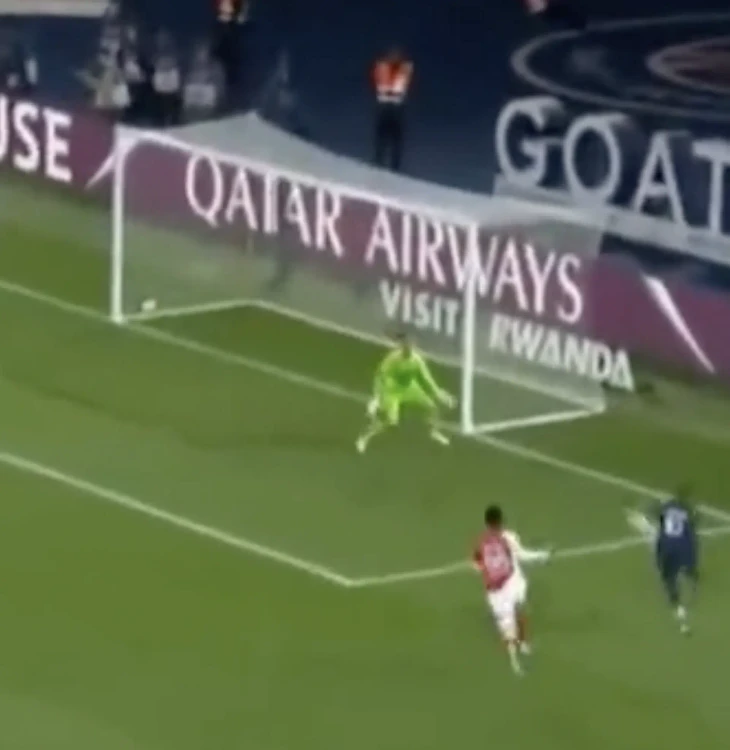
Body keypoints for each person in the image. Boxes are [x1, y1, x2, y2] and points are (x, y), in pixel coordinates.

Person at [473, 505, 551, 676]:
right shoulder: (508, 537)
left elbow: (477, 565)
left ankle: (519, 645)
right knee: (518, 613)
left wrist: (489, 568)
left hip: (497, 588)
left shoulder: (481, 541)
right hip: (512, 582)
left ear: (486, 523)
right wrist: (540, 555)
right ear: (501, 521)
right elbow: (522, 555)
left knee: (511, 619)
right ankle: (520, 647)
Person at [355, 332, 455, 453]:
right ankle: (364, 437)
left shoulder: (417, 360)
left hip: (409, 388)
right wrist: (376, 397)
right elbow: (380, 377)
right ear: (402, 346)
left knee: (432, 407)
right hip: (391, 391)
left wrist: (439, 394)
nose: (409, 348)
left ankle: (434, 432)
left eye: (411, 346)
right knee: (390, 421)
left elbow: (427, 379)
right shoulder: (392, 359)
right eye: (406, 346)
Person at [654, 486, 699, 635]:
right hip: (682, 547)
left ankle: (677, 604)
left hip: (667, 546)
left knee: (668, 578)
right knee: (684, 569)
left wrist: (658, 554)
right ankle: (688, 576)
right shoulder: (688, 510)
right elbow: (692, 532)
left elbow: (661, 524)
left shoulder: (666, 507)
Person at [371, 48, 413, 171]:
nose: (394, 57)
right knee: (383, 138)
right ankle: (379, 162)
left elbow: (403, 85)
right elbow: (379, 82)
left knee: (395, 140)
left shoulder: (403, 70)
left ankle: (394, 167)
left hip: (395, 109)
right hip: (385, 108)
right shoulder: (384, 68)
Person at [183, 42, 225, 122]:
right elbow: (183, 91)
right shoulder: (189, 67)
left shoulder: (216, 68)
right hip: (192, 111)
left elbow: (221, 91)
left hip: (210, 110)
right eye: (198, 50)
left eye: (204, 50)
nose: (201, 53)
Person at [151, 31, 182, 126]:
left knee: (171, 100)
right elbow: (153, 62)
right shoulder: (154, 51)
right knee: (161, 101)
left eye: (164, 38)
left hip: (171, 77)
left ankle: (173, 120)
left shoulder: (174, 50)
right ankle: (162, 120)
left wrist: (166, 65)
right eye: (159, 38)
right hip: (160, 78)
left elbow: (176, 61)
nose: (161, 41)